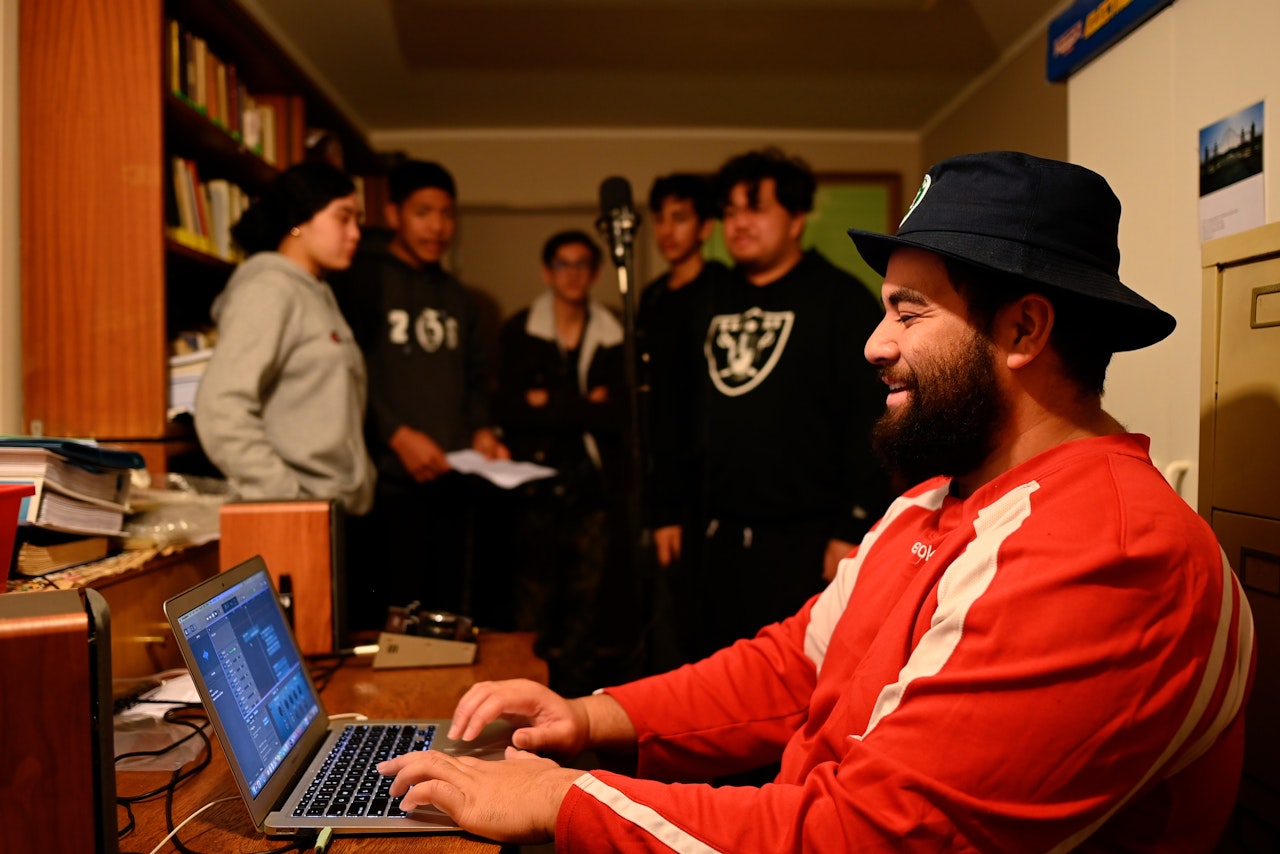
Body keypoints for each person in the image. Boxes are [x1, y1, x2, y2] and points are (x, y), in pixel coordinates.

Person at [377, 151, 1255, 851]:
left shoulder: (1109, 550)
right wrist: (590, 714)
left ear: (1024, 329)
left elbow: (867, 837)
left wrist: (564, 800)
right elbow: (795, 666)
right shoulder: (934, 502)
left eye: (910, 315)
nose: (874, 345)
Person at [649, 148, 892, 663]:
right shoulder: (704, 296)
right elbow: (672, 408)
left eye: (755, 209)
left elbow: (867, 416)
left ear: (797, 218)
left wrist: (851, 527)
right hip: (707, 534)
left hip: (801, 540)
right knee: (703, 671)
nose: (739, 223)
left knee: (787, 679)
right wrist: (665, 507)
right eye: (731, 211)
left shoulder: (840, 299)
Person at [331, 159, 508, 631]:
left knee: (448, 618)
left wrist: (482, 431)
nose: (438, 226)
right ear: (393, 214)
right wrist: (396, 434)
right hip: (386, 484)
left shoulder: (458, 296)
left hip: (453, 480)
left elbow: (474, 378)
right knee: (390, 620)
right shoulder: (361, 282)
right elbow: (348, 376)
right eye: (423, 212)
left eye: (448, 214)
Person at [195, 162, 375, 515]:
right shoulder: (269, 289)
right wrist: (287, 500)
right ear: (300, 220)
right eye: (343, 218)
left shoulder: (317, 290)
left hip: (336, 510)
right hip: (302, 515)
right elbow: (221, 409)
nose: (355, 233)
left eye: (358, 220)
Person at [495, 230, 627, 695]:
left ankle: (573, 711)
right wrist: (583, 405)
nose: (573, 274)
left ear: (594, 273)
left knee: (585, 610)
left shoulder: (614, 332)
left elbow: (617, 417)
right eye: (563, 264)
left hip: (592, 491)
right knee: (532, 611)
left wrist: (549, 403)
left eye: (582, 265)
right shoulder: (518, 330)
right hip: (535, 493)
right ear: (546, 271)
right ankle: (523, 705)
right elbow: (510, 411)